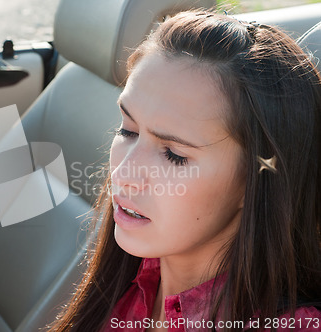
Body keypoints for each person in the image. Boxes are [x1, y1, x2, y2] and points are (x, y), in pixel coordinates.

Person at [47, 9, 321, 332]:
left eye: (174, 156)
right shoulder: (128, 278)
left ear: (256, 180)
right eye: (128, 131)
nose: (124, 174)